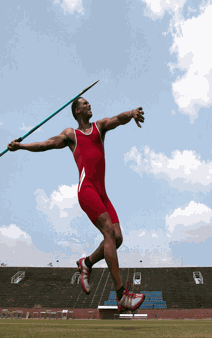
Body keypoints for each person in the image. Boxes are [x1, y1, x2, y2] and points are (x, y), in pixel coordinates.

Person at [7, 97, 145, 312]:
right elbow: (46, 144)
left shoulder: (99, 127)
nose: (90, 105)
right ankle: (121, 295)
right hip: (87, 189)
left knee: (117, 238)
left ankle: (86, 263)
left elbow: (118, 119)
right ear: (77, 110)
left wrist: (132, 112)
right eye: (85, 103)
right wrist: (21, 146)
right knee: (109, 232)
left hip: (103, 193)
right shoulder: (72, 134)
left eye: (90, 103)